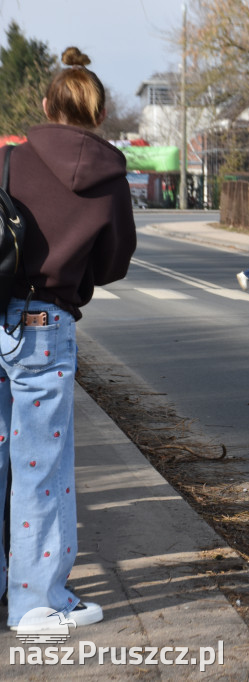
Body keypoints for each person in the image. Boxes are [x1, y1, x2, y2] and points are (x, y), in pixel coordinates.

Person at [0, 47, 136, 628]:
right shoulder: (110, 180)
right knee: (43, 464)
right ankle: (36, 600)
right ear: (99, 114)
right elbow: (114, 263)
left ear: (47, 103)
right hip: (45, 324)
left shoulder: (10, 162)